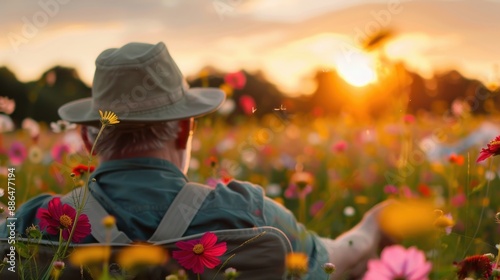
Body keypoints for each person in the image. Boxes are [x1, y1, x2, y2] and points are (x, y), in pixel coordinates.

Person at [1, 42, 389, 279]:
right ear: (186, 129)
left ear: (89, 137)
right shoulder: (252, 213)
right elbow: (340, 261)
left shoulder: (30, 225)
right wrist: (373, 225)